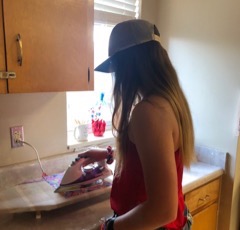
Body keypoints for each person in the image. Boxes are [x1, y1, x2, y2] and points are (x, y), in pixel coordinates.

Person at [79, 19, 195, 230]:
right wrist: (110, 154)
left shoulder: (148, 112)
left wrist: (109, 227)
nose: (118, 78)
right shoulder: (171, 102)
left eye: (117, 68)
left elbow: (162, 209)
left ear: (129, 65)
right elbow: (150, 157)